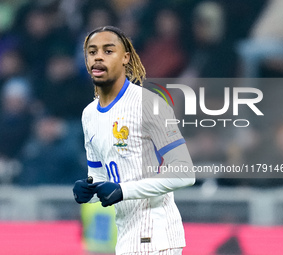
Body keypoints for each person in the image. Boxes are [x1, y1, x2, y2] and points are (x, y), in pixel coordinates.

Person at [73, 26, 195, 255]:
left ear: (125, 58)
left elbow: (184, 172)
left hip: (157, 234)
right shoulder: (89, 115)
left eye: (108, 51)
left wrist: (123, 190)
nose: (98, 56)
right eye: (92, 51)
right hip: (126, 236)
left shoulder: (149, 104)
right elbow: (100, 177)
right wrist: (88, 191)